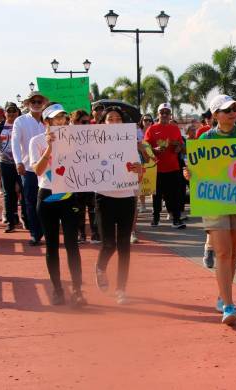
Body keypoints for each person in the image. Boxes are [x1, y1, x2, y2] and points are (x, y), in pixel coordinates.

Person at [187, 94, 236, 325]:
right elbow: (196, 169)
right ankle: (228, 304)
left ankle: (222, 294)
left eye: (235, 109)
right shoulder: (205, 139)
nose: (233, 113)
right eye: (227, 110)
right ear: (215, 115)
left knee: (233, 253)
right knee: (223, 252)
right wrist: (189, 174)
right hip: (214, 202)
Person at [30, 103, 85, 306]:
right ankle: (57, 290)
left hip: (69, 195)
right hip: (46, 196)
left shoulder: (74, 139)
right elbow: (38, 170)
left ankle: (78, 291)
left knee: (72, 245)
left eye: (63, 117)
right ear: (47, 122)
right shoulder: (36, 141)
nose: (60, 121)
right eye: (56, 118)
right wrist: (50, 148)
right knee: (52, 246)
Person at [94, 106, 143, 304]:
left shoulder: (130, 143)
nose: (114, 122)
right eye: (110, 119)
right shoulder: (94, 144)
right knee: (109, 244)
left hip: (126, 197)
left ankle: (121, 288)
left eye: (117, 119)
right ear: (103, 123)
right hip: (104, 197)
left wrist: (139, 170)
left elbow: (139, 175)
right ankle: (100, 268)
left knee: (124, 245)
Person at [12, 91, 48, 245]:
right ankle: (35, 232)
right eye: (33, 102)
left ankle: (46, 230)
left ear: (43, 104)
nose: (36, 104)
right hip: (29, 168)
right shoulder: (20, 121)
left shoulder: (49, 121)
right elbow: (15, 142)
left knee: (47, 202)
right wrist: (18, 162)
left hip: (48, 169)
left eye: (39, 102)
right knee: (30, 201)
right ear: (27, 104)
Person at [144, 103, 186, 229]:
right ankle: (156, 218)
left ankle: (176, 219)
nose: (164, 115)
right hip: (157, 167)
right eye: (162, 112)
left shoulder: (175, 129)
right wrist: (154, 149)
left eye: (167, 112)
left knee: (174, 195)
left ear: (170, 115)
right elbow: (145, 147)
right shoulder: (151, 129)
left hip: (173, 167)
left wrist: (178, 147)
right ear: (158, 114)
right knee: (157, 195)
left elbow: (181, 145)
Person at [0, 102, 24, 233]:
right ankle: (10, 221)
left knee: (23, 191)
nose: (11, 114)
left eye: (14, 111)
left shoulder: (22, 125)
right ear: (5, 114)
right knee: (8, 193)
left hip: (21, 163)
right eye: (8, 112)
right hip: (5, 163)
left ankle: (25, 218)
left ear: (18, 112)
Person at [70, 109, 99, 244]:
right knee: (78, 208)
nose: (88, 124)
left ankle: (95, 233)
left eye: (88, 121)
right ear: (74, 122)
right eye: (84, 122)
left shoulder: (94, 135)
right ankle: (81, 234)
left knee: (93, 207)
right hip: (75, 178)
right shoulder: (66, 135)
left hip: (92, 176)